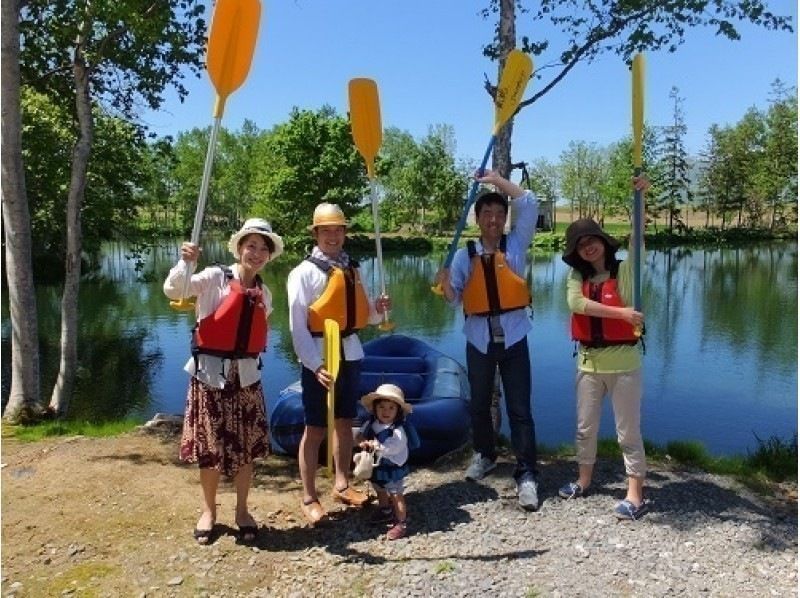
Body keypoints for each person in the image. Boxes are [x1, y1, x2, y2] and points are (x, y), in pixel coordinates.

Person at [163, 217, 284, 544]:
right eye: (251, 245)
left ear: (269, 255)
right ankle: (208, 511)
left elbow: (257, 329)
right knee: (210, 449)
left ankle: (242, 510)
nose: (256, 253)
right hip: (210, 378)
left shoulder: (265, 292)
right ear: (240, 247)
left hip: (246, 379)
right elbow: (175, 289)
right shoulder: (216, 277)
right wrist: (185, 263)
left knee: (245, 451)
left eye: (263, 248)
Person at [434, 169, 540, 511]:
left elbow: (528, 200)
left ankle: (526, 474)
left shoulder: (516, 244)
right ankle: (485, 454)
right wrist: (446, 283)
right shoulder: (465, 255)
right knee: (479, 404)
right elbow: (454, 299)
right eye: (487, 214)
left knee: (520, 408)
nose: (493, 220)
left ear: (504, 219)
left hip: (514, 338)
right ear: (477, 219)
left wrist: (495, 179)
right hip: (479, 339)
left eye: (499, 214)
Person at [287, 202, 392, 525]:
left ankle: (342, 483)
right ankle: (308, 497)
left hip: (351, 352)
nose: (332, 236)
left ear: (344, 233)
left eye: (338, 230)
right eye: (326, 230)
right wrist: (315, 364)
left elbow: (366, 316)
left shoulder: (352, 268)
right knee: (316, 427)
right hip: (320, 357)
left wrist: (378, 308)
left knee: (345, 422)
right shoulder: (302, 273)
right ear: (316, 233)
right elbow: (297, 325)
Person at [558, 175, 649, 521]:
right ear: (576, 252)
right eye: (580, 245)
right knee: (585, 427)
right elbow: (577, 305)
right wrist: (622, 312)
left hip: (624, 363)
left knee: (628, 430)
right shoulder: (576, 278)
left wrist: (641, 199)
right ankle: (583, 480)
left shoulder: (625, 272)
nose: (588, 247)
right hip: (587, 363)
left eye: (591, 240)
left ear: (602, 241)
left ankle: (635, 494)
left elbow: (638, 243)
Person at [357, 383, 420, 540]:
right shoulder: (371, 423)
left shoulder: (397, 431)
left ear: (397, 411)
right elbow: (359, 435)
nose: (386, 411)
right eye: (382, 407)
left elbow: (394, 448)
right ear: (375, 408)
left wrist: (376, 446)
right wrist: (363, 441)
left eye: (391, 408)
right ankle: (384, 509)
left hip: (392, 465)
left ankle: (401, 522)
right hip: (378, 465)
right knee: (379, 486)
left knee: (395, 493)